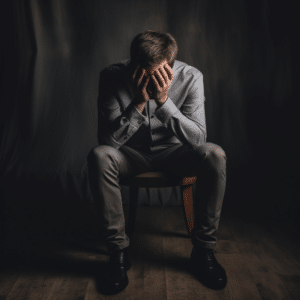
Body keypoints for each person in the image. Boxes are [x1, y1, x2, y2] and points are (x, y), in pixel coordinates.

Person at [87, 30, 227, 294]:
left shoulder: (191, 77)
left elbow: (198, 139)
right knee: (99, 156)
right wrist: (139, 103)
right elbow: (107, 140)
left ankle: (203, 251)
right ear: (132, 64)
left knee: (214, 154)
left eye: (157, 73)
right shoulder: (112, 76)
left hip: (176, 154)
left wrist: (163, 101)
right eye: (143, 72)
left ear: (170, 66)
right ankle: (118, 252)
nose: (150, 80)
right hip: (131, 154)